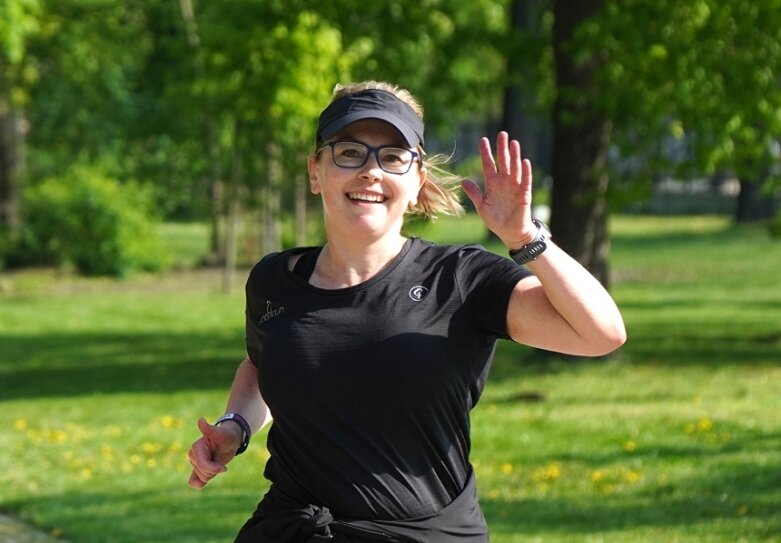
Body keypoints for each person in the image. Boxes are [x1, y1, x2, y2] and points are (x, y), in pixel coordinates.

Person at [187, 80, 626, 542]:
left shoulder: (458, 279)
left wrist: (524, 239)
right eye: (349, 152)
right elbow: (262, 364)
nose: (370, 172)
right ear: (315, 171)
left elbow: (600, 333)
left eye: (392, 157)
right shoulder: (275, 281)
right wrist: (234, 428)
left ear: (416, 181)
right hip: (292, 528)